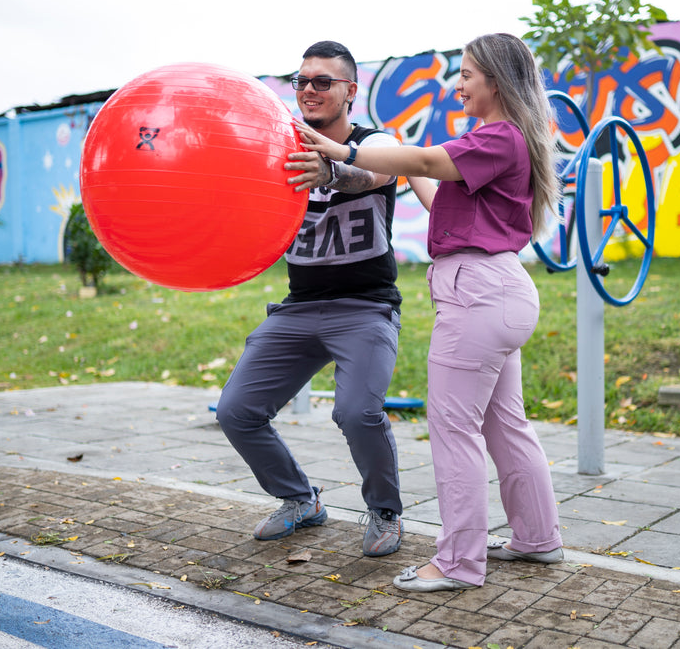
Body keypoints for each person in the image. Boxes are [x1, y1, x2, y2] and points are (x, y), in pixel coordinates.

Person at [294, 33, 564, 591]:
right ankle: (537, 539)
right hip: (499, 290)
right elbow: (435, 187)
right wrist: (398, 162)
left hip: (478, 295)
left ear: (497, 80)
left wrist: (345, 151)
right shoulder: (503, 141)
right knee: (504, 425)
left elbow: (422, 157)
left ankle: (459, 564)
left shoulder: (498, 137)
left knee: (452, 429)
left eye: (467, 74)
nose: (457, 83)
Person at [215, 41, 405, 557]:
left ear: (350, 90)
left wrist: (332, 173)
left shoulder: (373, 142)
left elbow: (383, 171)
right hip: (299, 309)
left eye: (323, 81)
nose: (309, 90)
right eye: (301, 81)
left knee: (356, 412)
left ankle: (385, 510)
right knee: (236, 410)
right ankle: (300, 499)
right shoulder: (277, 149)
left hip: (365, 307)